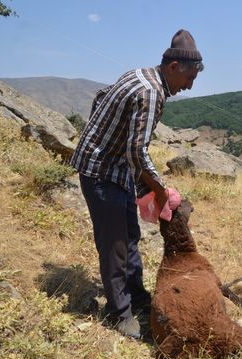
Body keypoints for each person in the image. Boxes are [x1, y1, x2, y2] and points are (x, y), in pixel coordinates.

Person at [70, 29, 204, 338]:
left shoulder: (140, 74)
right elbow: (136, 150)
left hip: (115, 169)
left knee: (130, 233)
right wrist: (159, 190)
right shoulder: (152, 92)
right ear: (173, 68)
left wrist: (99, 135)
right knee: (115, 244)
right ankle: (120, 313)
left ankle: (136, 294)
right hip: (101, 172)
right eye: (188, 79)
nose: (188, 87)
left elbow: (101, 97)